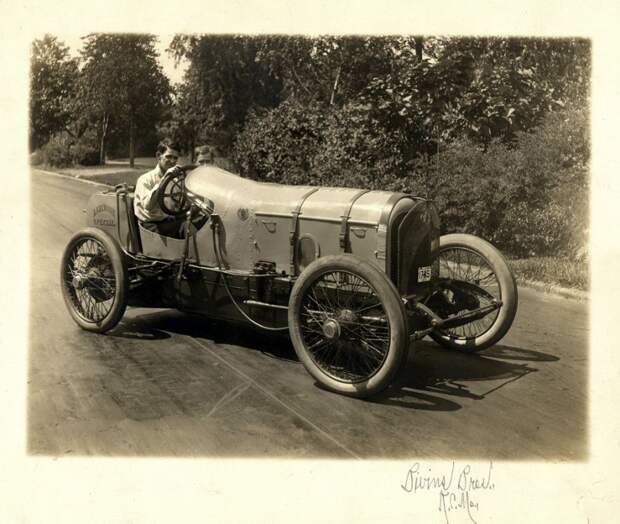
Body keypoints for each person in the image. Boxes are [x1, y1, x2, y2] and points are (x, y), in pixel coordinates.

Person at [134, 139, 206, 238]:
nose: (172, 161)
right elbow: (148, 206)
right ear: (158, 156)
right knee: (187, 227)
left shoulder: (175, 180)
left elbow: (181, 202)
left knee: (204, 222)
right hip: (153, 226)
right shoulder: (145, 180)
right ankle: (200, 252)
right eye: (168, 157)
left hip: (171, 221)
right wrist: (165, 178)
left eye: (175, 158)